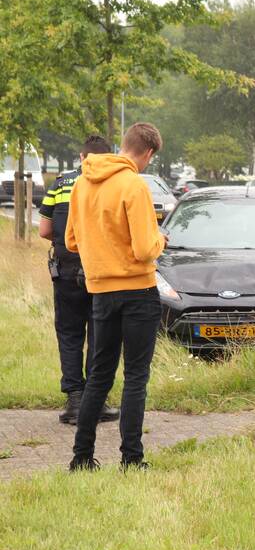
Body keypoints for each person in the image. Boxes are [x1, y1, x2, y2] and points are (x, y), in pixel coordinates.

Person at [66, 123, 167, 471]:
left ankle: (81, 456)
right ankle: (131, 458)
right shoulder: (133, 185)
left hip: (100, 293)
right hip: (138, 291)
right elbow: (143, 249)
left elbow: (71, 241)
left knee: (98, 375)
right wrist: (161, 241)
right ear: (148, 153)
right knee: (136, 376)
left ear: (124, 144)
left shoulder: (81, 183)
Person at [39, 136, 119, 426]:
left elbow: (44, 229)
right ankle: (96, 403)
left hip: (66, 270)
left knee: (70, 334)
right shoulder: (115, 183)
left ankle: (74, 400)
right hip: (102, 269)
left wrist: (65, 241)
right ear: (108, 156)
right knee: (101, 335)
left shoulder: (60, 183)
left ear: (82, 157)